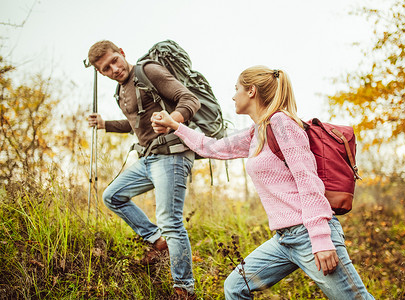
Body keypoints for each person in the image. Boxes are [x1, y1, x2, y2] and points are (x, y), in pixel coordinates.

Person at [151, 65, 375, 299]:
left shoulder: (282, 124)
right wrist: (175, 126)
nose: (233, 95)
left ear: (251, 91)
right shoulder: (256, 133)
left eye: (236, 88)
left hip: (309, 235)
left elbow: (308, 181)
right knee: (235, 287)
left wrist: (321, 239)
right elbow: (212, 147)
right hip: (284, 240)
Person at [87, 40, 200, 299]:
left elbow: (189, 99)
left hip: (172, 155)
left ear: (122, 53)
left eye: (115, 60)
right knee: (112, 196)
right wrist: (105, 124)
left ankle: (184, 290)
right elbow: (133, 125)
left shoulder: (149, 71)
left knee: (171, 222)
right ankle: (158, 240)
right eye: (106, 68)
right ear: (100, 72)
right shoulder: (120, 92)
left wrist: (174, 119)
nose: (114, 69)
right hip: (148, 158)